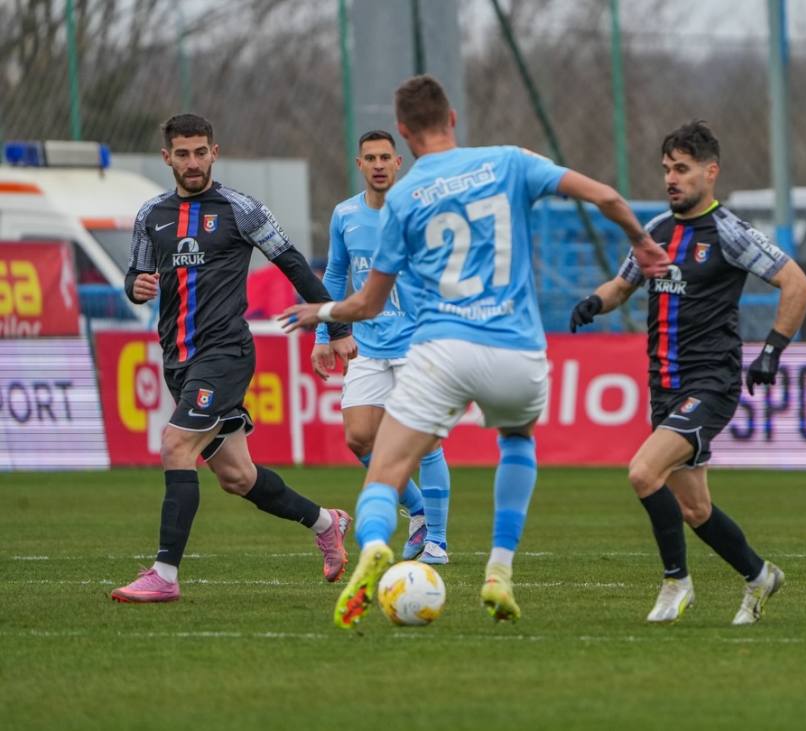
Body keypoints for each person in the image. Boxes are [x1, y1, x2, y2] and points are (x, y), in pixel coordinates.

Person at [279, 74, 668, 629]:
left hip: (443, 349)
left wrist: (320, 314)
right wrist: (642, 243)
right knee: (517, 442)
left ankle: (375, 546)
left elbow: (367, 303)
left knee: (387, 466)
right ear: (453, 119)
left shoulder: (404, 198)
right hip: (517, 350)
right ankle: (499, 568)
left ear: (404, 134)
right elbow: (606, 196)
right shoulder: (509, 161)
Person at [570, 121, 806, 625]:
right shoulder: (655, 231)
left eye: (682, 169)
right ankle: (759, 575)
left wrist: (772, 350)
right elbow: (622, 285)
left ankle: (676, 582)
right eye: (667, 169)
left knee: (643, 472)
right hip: (663, 384)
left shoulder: (730, 232)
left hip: (711, 383)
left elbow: (798, 284)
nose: (671, 178)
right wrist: (595, 301)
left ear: (710, 172)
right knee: (695, 510)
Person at [112, 113, 354, 603]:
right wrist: (135, 287)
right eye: (183, 154)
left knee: (176, 445)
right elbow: (136, 276)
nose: (193, 162)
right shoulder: (150, 215)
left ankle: (164, 574)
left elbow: (294, 265)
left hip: (225, 353)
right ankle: (326, 523)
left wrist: (337, 327)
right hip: (178, 360)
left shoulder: (241, 210)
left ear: (214, 153)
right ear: (167, 158)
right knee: (237, 476)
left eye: (201, 152)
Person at [312, 130, 453, 566]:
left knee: (426, 440)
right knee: (358, 438)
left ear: (398, 163)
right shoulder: (344, 215)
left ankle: (438, 542)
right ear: (359, 164)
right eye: (370, 158)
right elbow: (336, 275)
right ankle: (419, 509)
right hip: (367, 345)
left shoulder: (419, 211)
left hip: (416, 343)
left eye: (385, 158)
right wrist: (323, 336)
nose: (377, 165)